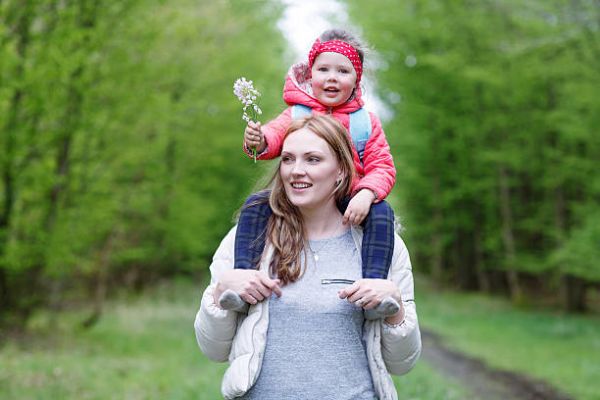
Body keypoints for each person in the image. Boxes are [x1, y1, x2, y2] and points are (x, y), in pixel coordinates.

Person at [195, 115, 421, 400]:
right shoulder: (247, 239)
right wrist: (220, 292)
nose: (295, 171)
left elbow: (403, 363)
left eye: (312, 160)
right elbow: (212, 349)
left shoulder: (381, 246)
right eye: (288, 159)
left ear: (340, 170)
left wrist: (396, 306)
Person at [235, 29, 396, 305]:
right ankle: (242, 279)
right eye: (323, 69)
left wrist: (366, 194)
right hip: (300, 191)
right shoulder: (297, 113)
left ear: (356, 80)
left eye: (343, 71)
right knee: (254, 206)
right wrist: (259, 141)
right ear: (311, 75)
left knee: (382, 214)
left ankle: (374, 287)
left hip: (349, 196)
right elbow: (274, 139)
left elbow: (382, 166)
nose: (332, 77)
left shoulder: (364, 122)